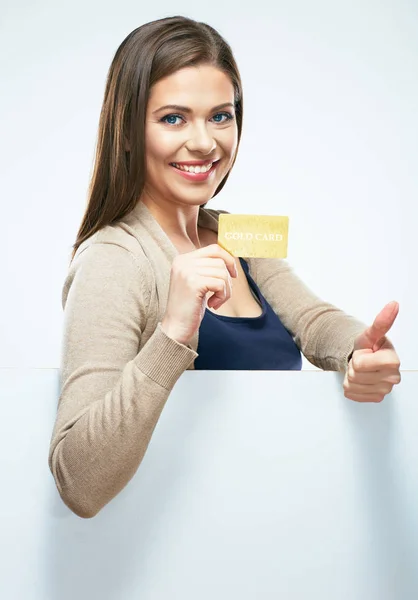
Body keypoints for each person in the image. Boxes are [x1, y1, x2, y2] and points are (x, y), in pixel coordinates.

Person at [48, 16, 401, 518]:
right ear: (127, 130)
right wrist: (173, 332)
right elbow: (78, 481)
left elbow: (313, 321)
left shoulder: (238, 234)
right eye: (173, 118)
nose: (205, 143)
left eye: (220, 116)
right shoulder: (113, 258)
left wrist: (360, 350)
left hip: (277, 536)